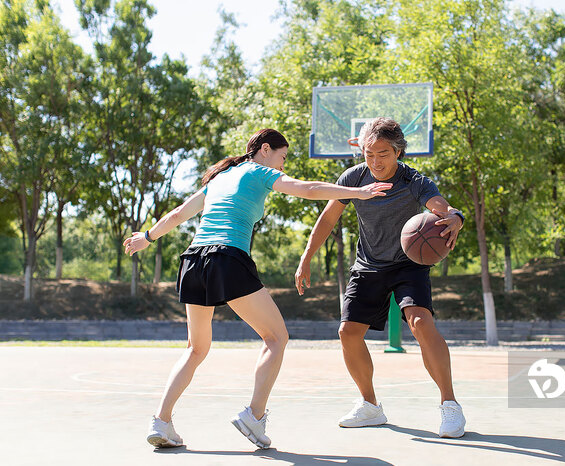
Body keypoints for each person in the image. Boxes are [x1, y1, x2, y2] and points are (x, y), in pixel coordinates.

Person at [123, 129, 391, 449]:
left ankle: (161, 421)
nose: (281, 166)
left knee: (196, 348)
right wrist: (359, 192)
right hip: (227, 258)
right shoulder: (259, 171)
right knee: (276, 338)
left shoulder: (219, 178)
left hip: (193, 261)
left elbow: (180, 214)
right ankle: (254, 414)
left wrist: (147, 237)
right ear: (265, 150)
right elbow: (306, 189)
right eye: (282, 157)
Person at [294, 117, 467, 438]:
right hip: (368, 265)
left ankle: (450, 406)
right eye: (369, 153)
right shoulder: (354, 178)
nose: (375, 161)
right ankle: (370, 406)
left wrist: (455, 217)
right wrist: (306, 256)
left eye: (383, 154)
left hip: (408, 265)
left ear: (399, 152)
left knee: (420, 323)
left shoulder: (414, 180)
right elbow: (328, 217)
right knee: (347, 332)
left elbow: (441, 206)